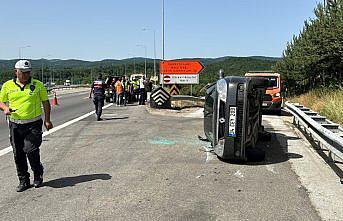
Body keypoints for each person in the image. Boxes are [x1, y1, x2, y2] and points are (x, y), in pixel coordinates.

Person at [0, 60, 53, 192]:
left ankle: (37, 173)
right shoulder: (7, 85)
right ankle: (23, 180)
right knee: (18, 154)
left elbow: (46, 103)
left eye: (28, 72)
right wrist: (5, 108)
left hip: (33, 124)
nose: (25, 75)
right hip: (15, 125)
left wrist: (47, 120)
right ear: (15, 72)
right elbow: (1, 101)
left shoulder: (38, 85)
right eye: (22, 72)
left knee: (30, 150)